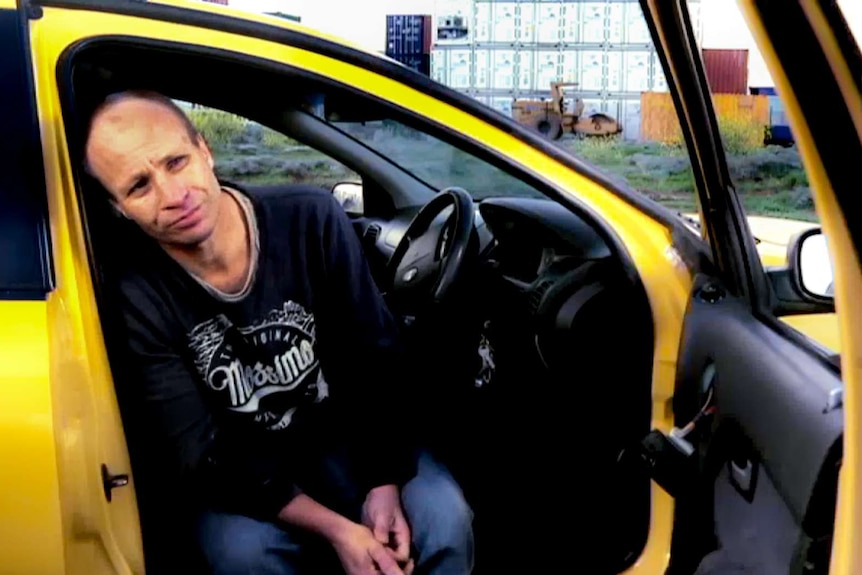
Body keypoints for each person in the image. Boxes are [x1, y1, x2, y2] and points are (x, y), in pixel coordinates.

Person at [82, 90, 474, 575]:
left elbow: (377, 360)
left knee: (444, 521)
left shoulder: (310, 219)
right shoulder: (135, 293)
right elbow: (204, 455)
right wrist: (339, 530)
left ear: (205, 151)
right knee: (243, 555)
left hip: (345, 443)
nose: (173, 195)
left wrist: (384, 483)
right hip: (243, 476)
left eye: (176, 162)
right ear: (119, 207)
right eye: (139, 186)